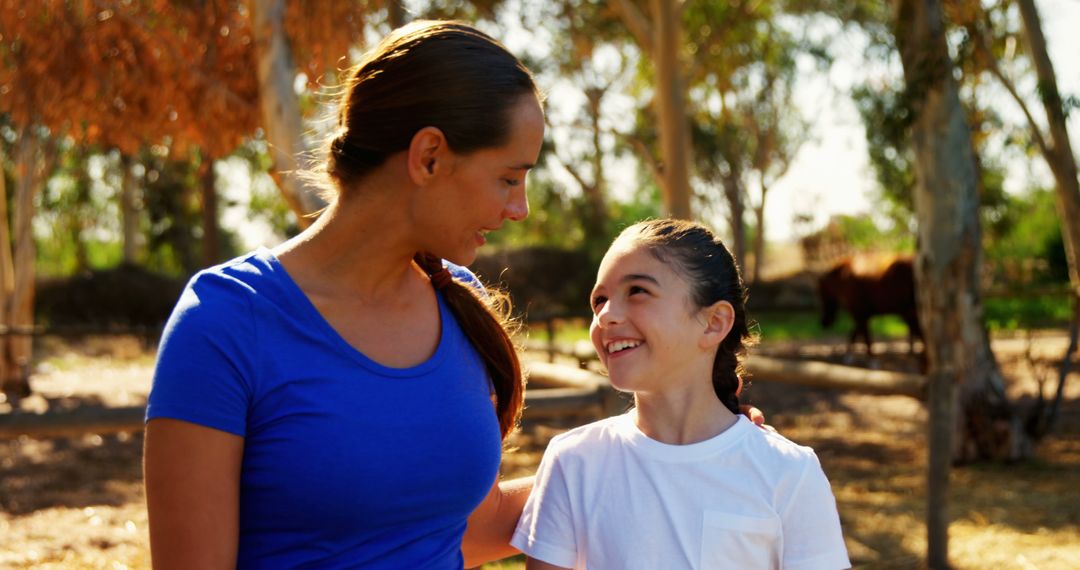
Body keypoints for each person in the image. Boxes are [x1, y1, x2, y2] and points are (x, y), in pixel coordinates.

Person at [143, 20, 544, 568]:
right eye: (508, 178)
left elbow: (463, 532)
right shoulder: (225, 322)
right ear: (429, 156)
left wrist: (626, 459)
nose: (519, 208)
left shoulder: (459, 301)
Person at [512, 219, 850, 570]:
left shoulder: (789, 473)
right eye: (599, 300)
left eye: (637, 291)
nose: (606, 316)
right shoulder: (572, 462)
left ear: (714, 322)